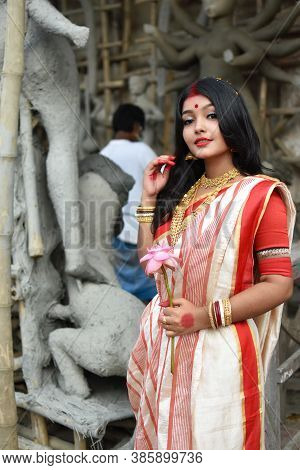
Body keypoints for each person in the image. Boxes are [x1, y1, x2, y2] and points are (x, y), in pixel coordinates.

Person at [126, 77, 296, 449]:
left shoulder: (259, 194)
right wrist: (148, 200)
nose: (198, 127)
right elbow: (150, 265)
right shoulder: (182, 194)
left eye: (211, 115)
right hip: (166, 344)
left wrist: (202, 317)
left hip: (220, 348)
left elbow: (279, 284)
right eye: (188, 120)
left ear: (233, 120)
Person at [100, 103, 157, 303]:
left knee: (124, 288)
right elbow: (160, 182)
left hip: (114, 232)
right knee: (151, 287)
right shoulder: (142, 150)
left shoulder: (104, 154)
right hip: (143, 229)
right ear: (136, 127)